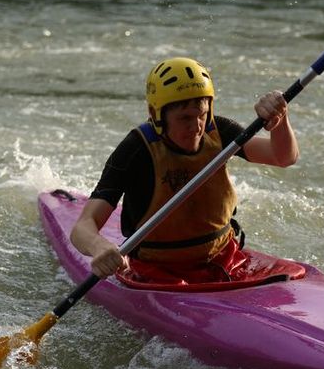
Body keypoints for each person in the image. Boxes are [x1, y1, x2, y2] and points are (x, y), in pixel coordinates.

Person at [70, 56, 302, 287]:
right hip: (157, 272)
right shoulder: (135, 150)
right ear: (155, 113)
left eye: (201, 114)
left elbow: (282, 157)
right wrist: (99, 246)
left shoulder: (220, 131)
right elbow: (83, 226)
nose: (196, 126)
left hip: (225, 261)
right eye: (184, 118)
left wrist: (279, 120)